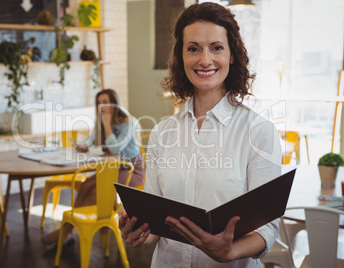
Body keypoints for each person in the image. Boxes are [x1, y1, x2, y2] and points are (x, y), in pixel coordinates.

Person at [119, 2, 282, 267]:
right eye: (193, 48)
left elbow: (267, 229)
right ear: (181, 57)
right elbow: (155, 226)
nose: (205, 59)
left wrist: (228, 252)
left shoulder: (259, 132)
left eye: (216, 47)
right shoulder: (162, 133)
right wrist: (136, 230)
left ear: (231, 54)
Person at [42, 88, 144, 245]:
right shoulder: (100, 122)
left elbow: (116, 149)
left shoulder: (128, 122)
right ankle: (70, 228)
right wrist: (84, 146)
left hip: (131, 170)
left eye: (105, 102)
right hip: (112, 168)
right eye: (98, 103)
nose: (101, 106)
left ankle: (66, 231)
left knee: (98, 189)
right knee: (85, 185)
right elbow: (91, 141)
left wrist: (108, 124)